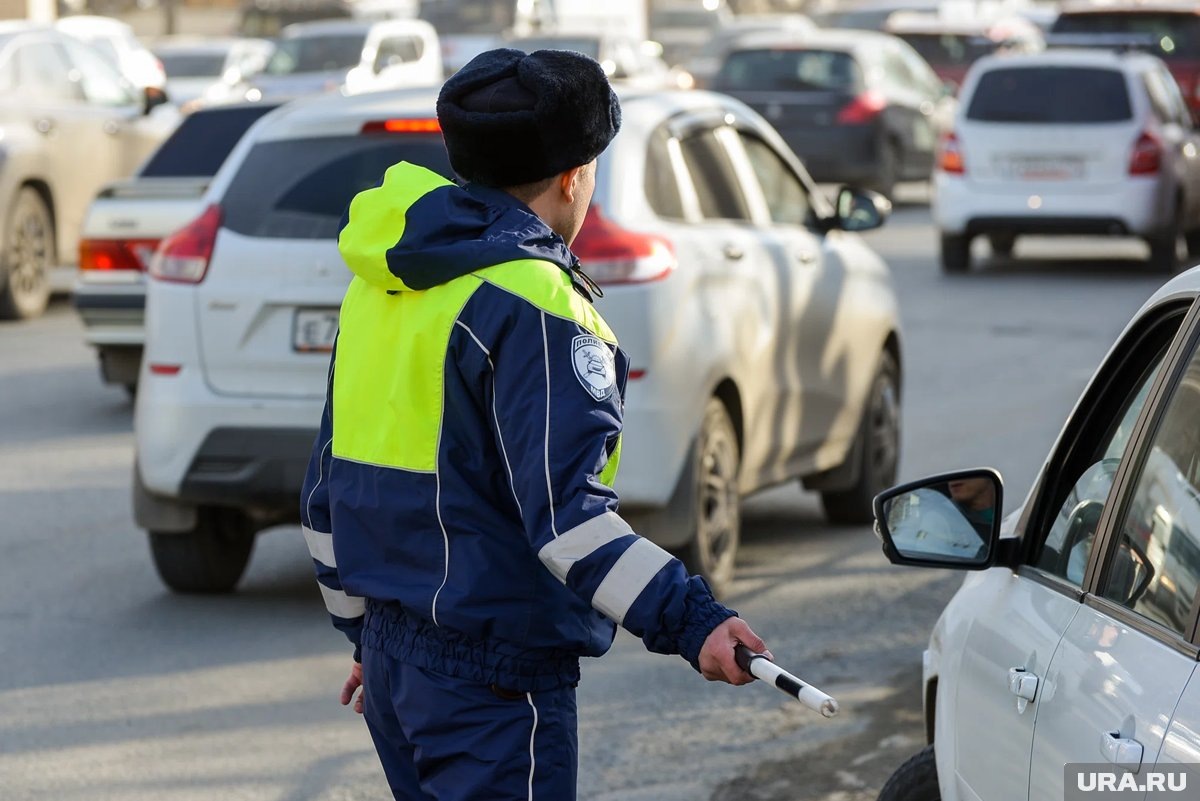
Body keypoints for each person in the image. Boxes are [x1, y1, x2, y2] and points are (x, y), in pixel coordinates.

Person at [299, 48, 769, 801]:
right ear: (573, 177)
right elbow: (568, 521)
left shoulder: (381, 285)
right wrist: (695, 620)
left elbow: (325, 492)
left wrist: (369, 634)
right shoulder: (538, 304)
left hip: (392, 668)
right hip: (492, 685)